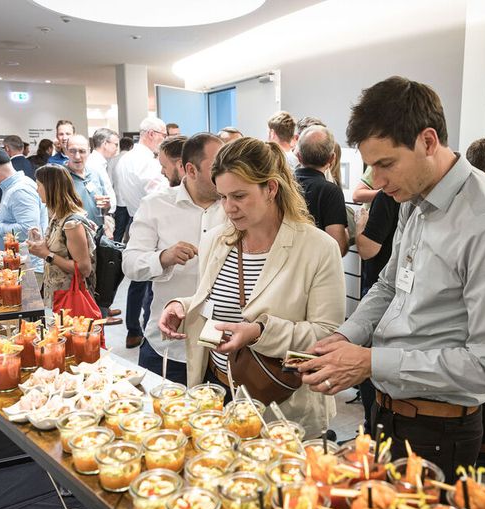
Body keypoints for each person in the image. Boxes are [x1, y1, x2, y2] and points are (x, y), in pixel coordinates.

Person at [296, 76, 485, 482]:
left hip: (439, 429)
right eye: (371, 166)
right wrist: (347, 336)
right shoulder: (414, 200)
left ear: (428, 141)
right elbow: (391, 285)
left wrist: (370, 361)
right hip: (387, 411)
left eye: (386, 164)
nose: (377, 181)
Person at [159, 137, 344, 436]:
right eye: (222, 197)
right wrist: (182, 305)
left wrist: (259, 333)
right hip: (217, 391)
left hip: (280, 400)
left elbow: (325, 334)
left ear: (270, 188)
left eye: (239, 196)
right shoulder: (217, 239)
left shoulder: (317, 248)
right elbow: (215, 300)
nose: (229, 208)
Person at [124, 133, 227, 385]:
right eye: (217, 167)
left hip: (222, 347)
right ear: (191, 170)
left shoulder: (234, 207)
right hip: (169, 345)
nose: (225, 173)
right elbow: (130, 263)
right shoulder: (156, 205)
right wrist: (163, 258)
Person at [113, 117, 167, 348]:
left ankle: (133, 328)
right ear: (152, 134)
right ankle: (145, 329)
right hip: (151, 220)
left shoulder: (125, 159)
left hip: (134, 218)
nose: (164, 140)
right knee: (151, 277)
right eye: (163, 136)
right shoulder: (146, 161)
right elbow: (158, 194)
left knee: (138, 279)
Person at [352, 189, 400, 432]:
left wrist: (360, 226)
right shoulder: (409, 201)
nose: (378, 181)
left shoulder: (387, 198)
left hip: (380, 291)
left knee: (372, 363)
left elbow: (368, 249)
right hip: (389, 293)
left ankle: (372, 428)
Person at [27, 164, 98, 308]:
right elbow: (62, 249)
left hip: (71, 298)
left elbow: (84, 269)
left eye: (39, 185)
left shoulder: (72, 224)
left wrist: (46, 254)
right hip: (59, 295)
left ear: (50, 188)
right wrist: (42, 242)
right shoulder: (57, 215)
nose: (36, 190)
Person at [0, 147, 48, 275]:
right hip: (18, 264)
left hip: (27, 267)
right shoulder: (13, 187)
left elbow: (27, 230)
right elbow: (12, 219)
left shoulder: (20, 190)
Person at [294, 125, 349, 256]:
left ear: (299, 156)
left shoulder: (283, 185)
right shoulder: (331, 192)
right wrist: (347, 234)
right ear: (332, 159)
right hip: (317, 265)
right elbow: (338, 248)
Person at [65, 135, 110, 227]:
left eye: (82, 151)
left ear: (89, 152)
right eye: (72, 151)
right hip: (74, 233)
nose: (77, 156)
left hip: (98, 231)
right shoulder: (60, 177)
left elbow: (105, 209)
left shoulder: (95, 174)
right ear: (66, 152)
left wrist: (106, 206)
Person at [87, 128, 120, 223]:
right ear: (105, 144)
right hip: (100, 217)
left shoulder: (101, 163)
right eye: (115, 145)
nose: (117, 148)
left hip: (105, 215)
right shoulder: (93, 165)